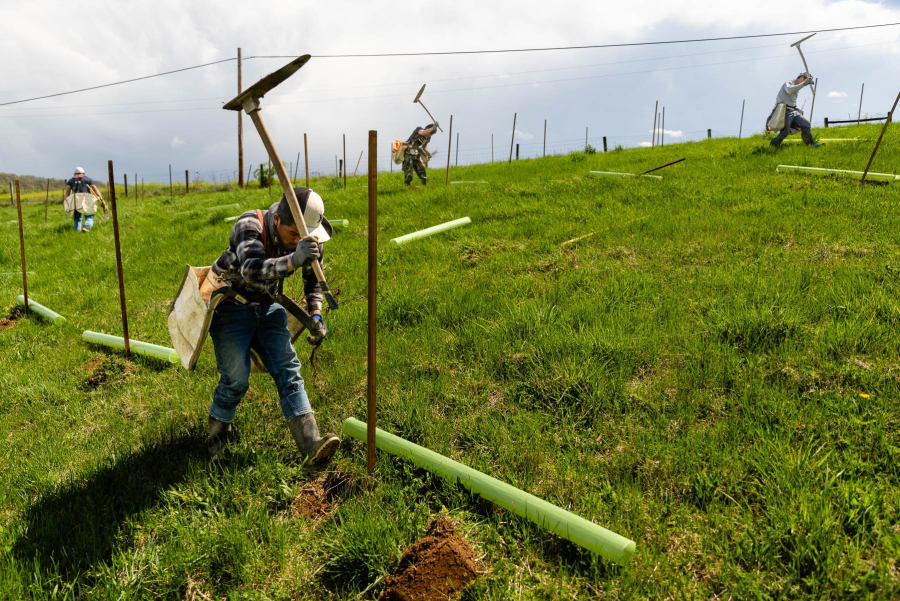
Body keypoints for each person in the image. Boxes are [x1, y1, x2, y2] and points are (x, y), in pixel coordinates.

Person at [206, 187, 339, 463]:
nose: (296, 242)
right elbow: (252, 270)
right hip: (229, 304)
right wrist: (294, 259)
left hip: (267, 304)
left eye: (301, 239)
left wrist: (315, 313)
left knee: (288, 369)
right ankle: (216, 438)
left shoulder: (309, 237)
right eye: (292, 235)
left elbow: (313, 279)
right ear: (277, 220)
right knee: (236, 377)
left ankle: (310, 444)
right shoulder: (249, 224)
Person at [770, 72, 818, 148]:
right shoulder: (789, 83)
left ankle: (810, 144)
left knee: (806, 124)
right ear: (802, 78)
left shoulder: (797, 87)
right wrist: (804, 84)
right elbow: (789, 90)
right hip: (783, 110)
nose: (805, 84)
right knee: (785, 131)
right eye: (805, 81)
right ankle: (773, 145)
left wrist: (804, 84)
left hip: (793, 111)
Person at [64, 167, 105, 232]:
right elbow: (95, 189)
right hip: (86, 198)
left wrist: (67, 202)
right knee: (89, 215)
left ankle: (77, 232)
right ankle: (87, 227)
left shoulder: (71, 181)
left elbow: (67, 192)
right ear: (83, 173)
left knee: (77, 218)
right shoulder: (87, 179)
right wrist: (101, 198)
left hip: (75, 200)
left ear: (75, 173)